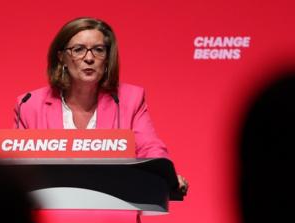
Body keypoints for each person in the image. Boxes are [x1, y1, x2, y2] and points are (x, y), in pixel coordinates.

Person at [14, 17, 189, 194]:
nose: (89, 58)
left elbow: (150, 147)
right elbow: (17, 166)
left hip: (113, 212)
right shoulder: (30, 105)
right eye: (78, 50)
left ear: (107, 58)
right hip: (52, 214)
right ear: (62, 58)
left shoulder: (129, 100)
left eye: (98, 50)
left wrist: (165, 175)